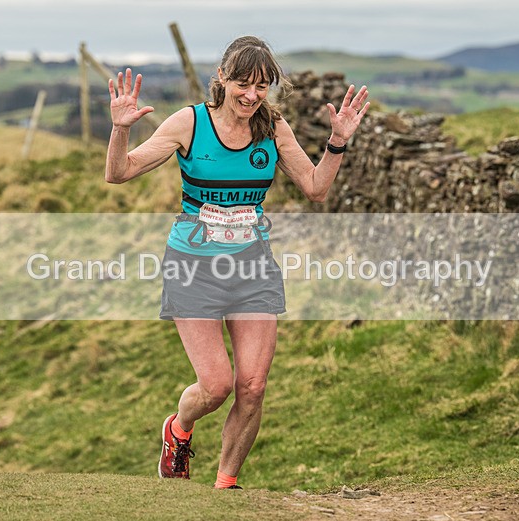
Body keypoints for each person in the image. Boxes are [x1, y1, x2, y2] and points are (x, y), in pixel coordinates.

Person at [105, 36, 369, 489]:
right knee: (216, 386)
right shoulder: (190, 123)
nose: (252, 95)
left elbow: (315, 187)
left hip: (252, 270)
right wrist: (121, 128)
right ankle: (178, 429)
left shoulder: (273, 128)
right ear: (222, 79)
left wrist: (337, 143)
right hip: (193, 267)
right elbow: (119, 172)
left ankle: (225, 487)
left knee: (252, 386)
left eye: (262, 86)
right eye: (244, 84)